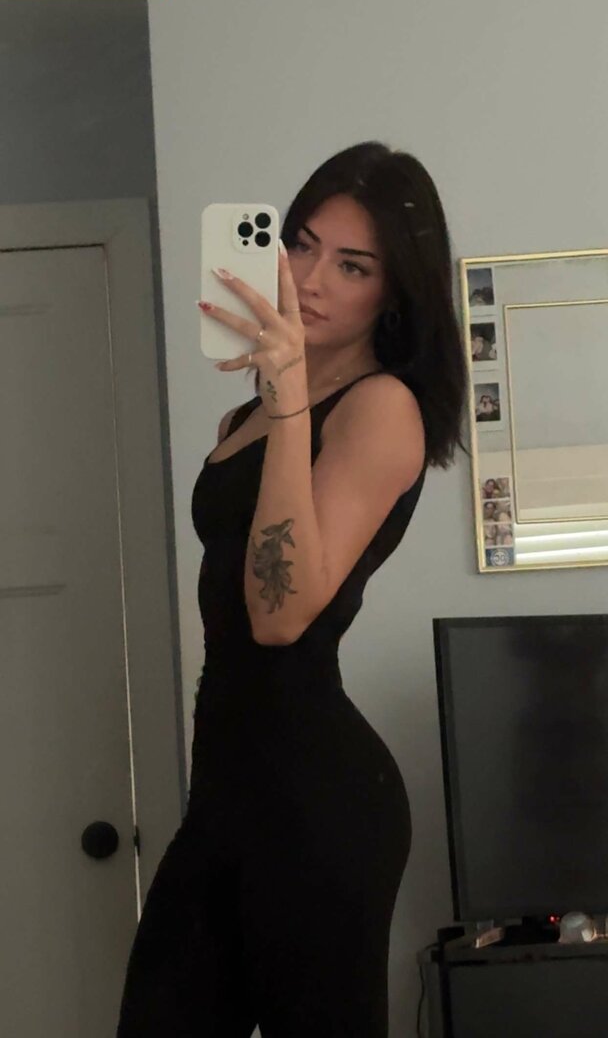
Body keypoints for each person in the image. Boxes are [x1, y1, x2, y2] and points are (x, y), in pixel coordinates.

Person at [116, 141, 468, 1037]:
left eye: (352, 265)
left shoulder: (380, 408)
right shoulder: (246, 413)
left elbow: (278, 617)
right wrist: (278, 402)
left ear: (393, 292)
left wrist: (287, 402)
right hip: (226, 794)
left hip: (317, 806)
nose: (310, 280)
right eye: (302, 244)